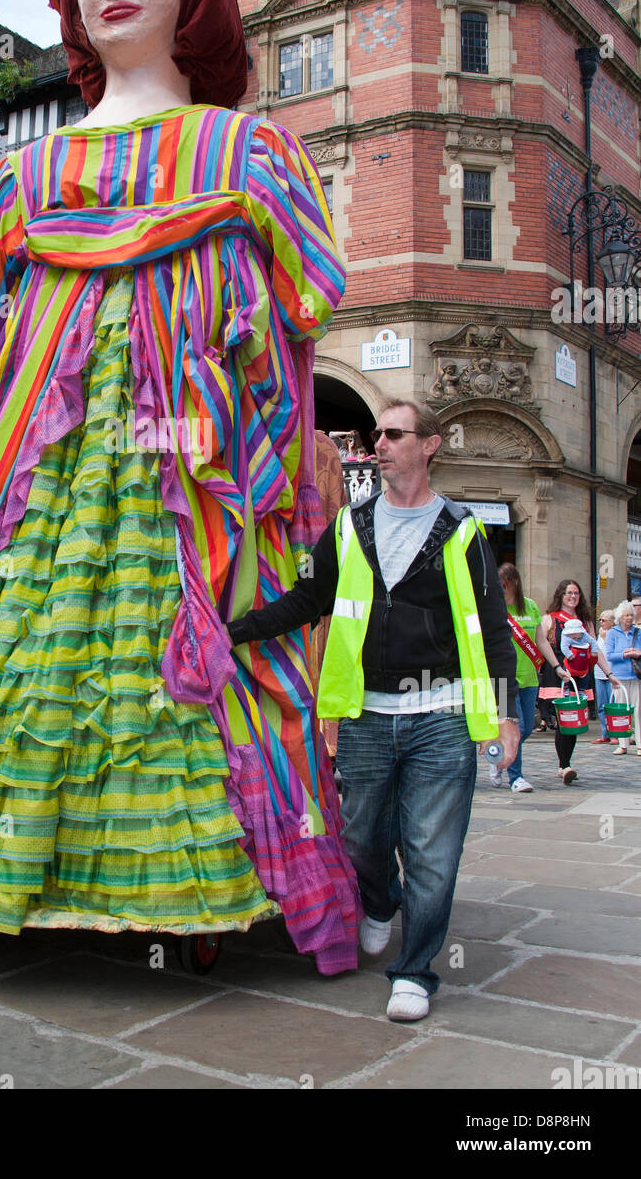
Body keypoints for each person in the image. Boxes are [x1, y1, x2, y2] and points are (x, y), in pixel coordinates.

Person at [0, 0, 359, 974]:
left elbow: (284, 340)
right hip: (45, 483)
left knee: (182, 664)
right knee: (30, 655)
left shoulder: (249, 154)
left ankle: (197, 895)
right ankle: (13, 874)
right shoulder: (20, 179)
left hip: (187, 481)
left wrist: (272, 471)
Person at [227, 398, 520, 1022]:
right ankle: (379, 903)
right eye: (374, 434)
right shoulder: (351, 526)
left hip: (440, 713)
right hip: (363, 714)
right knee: (361, 839)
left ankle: (413, 971)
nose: (378, 444)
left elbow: (492, 628)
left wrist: (505, 714)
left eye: (392, 434)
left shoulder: (463, 530)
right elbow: (311, 597)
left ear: (429, 445)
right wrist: (235, 629)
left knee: (432, 852)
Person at [497, 563, 565, 793]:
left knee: (525, 730)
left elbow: (541, 641)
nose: (502, 588)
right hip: (504, 679)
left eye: (505, 584)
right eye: (500, 584)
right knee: (518, 727)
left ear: (515, 583)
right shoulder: (494, 608)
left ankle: (500, 754)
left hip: (529, 679)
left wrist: (556, 666)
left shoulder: (531, 607)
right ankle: (516, 777)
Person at [537, 580, 609, 783]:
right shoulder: (549, 619)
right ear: (561, 595)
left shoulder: (586, 622)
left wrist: (608, 673)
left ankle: (566, 763)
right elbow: (541, 644)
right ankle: (564, 765)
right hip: (559, 675)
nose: (573, 596)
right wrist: (553, 668)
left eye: (576, 593)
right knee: (563, 721)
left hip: (580, 676)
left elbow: (596, 649)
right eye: (569, 593)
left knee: (575, 721)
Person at [601, 600, 641, 757]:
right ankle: (623, 744)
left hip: (636, 676)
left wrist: (637, 652)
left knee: (638, 711)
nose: (629, 618)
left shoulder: (638, 632)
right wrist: (626, 654)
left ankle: (639, 744)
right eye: (626, 615)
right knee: (621, 711)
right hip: (619, 677)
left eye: (631, 615)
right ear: (620, 617)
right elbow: (609, 655)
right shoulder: (612, 633)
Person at [594, 609, 615, 742]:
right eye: (600, 620)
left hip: (611, 673)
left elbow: (609, 653)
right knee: (601, 705)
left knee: (611, 704)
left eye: (604, 620)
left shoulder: (613, 634)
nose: (601, 622)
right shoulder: (598, 634)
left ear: (612, 622)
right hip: (598, 673)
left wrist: (604, 638)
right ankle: (605, 733)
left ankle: (614, 734)